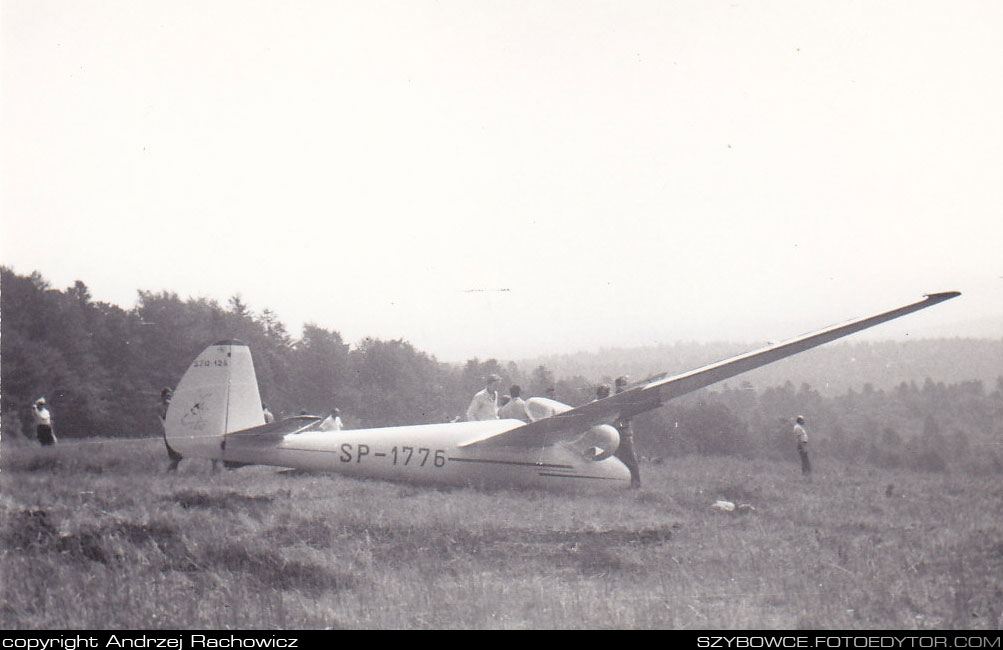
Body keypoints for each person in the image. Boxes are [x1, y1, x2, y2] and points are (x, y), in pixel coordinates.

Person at [614, 376, 641, 489]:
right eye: (620, 386)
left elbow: (628, 418)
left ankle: (635, 482)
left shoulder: (626, 401)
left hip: (624, 433)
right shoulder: (618, 400)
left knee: (629, 458)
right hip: (618, 433)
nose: (620, 388)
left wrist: (618, 424)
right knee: (619, 459)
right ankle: (623, 482)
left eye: (622, 386)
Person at [158, 387, 183, 472]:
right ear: (163, 396)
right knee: (175, 455)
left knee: (178, 454)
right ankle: (170, 471)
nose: (169, 397)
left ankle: (172, 471)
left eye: (170, 395)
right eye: (168, 395)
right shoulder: (163, 406)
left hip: (173, 432)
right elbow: (162, 419)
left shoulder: (171, 405)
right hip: (168, 432)